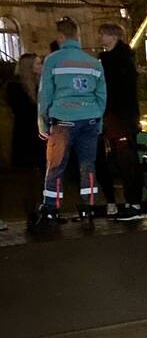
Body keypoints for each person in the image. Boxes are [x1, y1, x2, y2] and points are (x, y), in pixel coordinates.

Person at [35, 17, 106, 226]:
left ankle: (51, 208)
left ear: (60, 37)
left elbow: (45, 93)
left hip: (63, 120)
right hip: (90, 118)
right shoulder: (93, 62)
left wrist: (43, 120)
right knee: (87, 164)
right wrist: (97, 119)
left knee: (56, 165)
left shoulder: (53, 60)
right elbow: (102, 95)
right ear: (78, 36)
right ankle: (89, 207)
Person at [95, 23, 144, 221]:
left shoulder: (115, 61)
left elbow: (118, 90)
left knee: (125, 159)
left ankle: (133, 203)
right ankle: (132, 202)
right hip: (121, 116)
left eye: (102, 35)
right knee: (123, 158)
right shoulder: (122, 58)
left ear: (111, 36)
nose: (100, 39)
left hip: (118, 116)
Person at [6, 52, 46, 218]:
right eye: (37, 64)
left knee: (44, 175)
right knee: (30, 178)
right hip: (27, 136)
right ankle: (32, 212)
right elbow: (24, 112)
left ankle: (45, 210)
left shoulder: (40, 86)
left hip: (41, 135)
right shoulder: (16, 88)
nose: (41, 67)